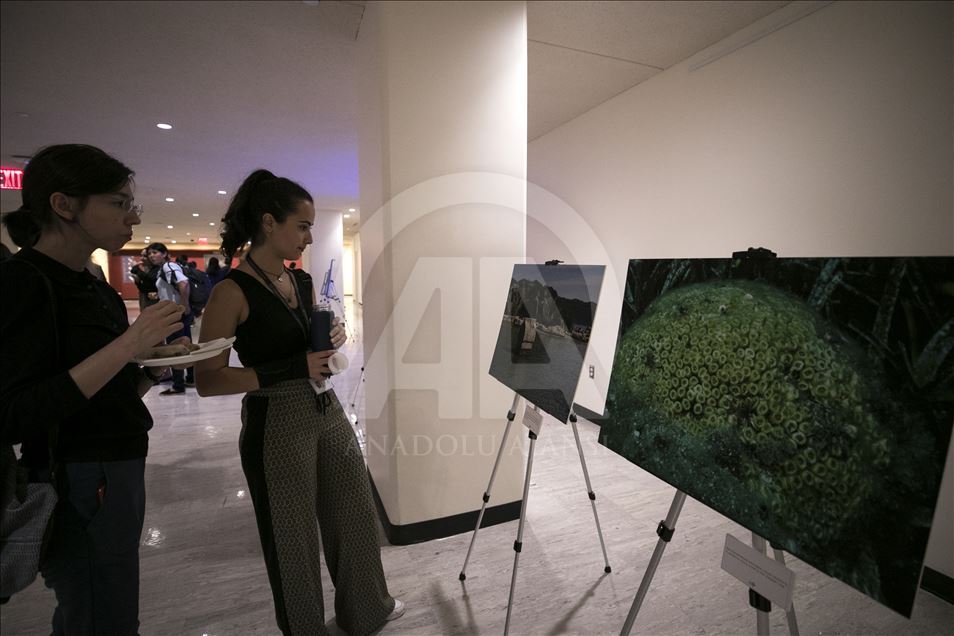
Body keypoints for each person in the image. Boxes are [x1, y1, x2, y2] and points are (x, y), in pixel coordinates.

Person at [194, 169, 403, 635]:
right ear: (269, 223)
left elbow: (309, 349)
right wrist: (295, 367)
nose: (309, 237)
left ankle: (367, 610)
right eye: (303, 226)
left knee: (354, 511)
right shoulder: (231, 292)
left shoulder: (300, 280)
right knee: (293, 538)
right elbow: (208, 380)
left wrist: (331, 338)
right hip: (275, 418)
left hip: (326, 407)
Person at [0, 144, 188, 635]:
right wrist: (129, 344)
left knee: (106, 605)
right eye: (118, 203)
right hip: (77, 474)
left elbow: (109, 392)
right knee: (102, 612)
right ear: (64, 205)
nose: (132, 217)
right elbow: (15, 412)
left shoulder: (96, 286)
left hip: (120, 461)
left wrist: (153, 367)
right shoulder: (23, 282)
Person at [145, 242, 194, 394]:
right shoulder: (164, 268)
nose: (151, 256)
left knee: (175, 347)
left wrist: (184, 304)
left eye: (155, 252)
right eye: (150, 253)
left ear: (165, 253)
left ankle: (178, 385)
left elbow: (183, 283)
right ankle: (191, 379)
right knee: (186, 345)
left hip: (175, 313)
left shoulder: (168, 266)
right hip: (176, 312)